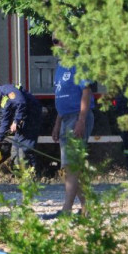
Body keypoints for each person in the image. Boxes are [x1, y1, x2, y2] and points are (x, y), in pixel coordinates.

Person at [52, 60, 96, 214]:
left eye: (59, 40)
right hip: (65, 117)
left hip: (77, 116)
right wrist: (57, 124)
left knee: (71, 164)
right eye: (54, 41)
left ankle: (67, 208)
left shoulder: (79, 63)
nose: (56, 44)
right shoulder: (60, 66)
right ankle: (87, 208)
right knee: (72, 166)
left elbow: (86, 92)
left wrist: (81, 120)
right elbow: (61, 96)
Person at [0, 77, 43, 175]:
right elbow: (5, 119)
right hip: (24, 119)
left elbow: (21, 102)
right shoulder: (3, 98)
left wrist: (16, 121)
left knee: (26, 148)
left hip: (31, 118)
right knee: (16, 147)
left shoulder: (6, 90)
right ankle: (21, 175)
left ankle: (35, 174)